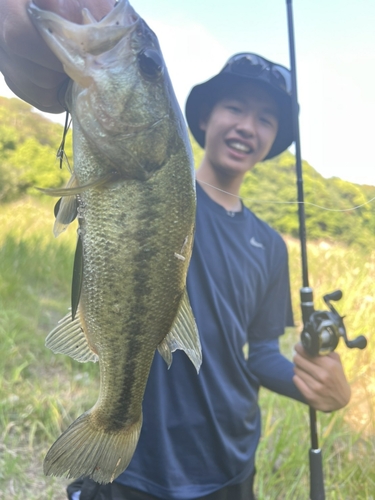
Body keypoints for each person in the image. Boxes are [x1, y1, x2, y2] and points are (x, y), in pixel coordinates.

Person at [0, 2, 351, 499]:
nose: (248, 126)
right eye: (235, 107)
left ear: (274, 140)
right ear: (202, 117)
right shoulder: (148, 181)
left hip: (231, 463)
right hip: (140, 463)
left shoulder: (271, 246)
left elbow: (261, 353)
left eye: (266, 117)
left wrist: (310, 384)